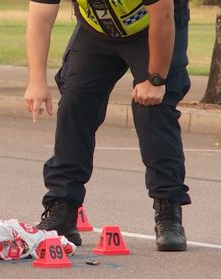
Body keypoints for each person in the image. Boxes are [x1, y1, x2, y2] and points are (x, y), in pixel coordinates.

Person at [24, 0, 191, 251]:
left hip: (153, 26)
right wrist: (36, 80)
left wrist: (156, 80)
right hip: (97, 30)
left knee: (153, 111)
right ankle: (63, 209)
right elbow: (40, 18)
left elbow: (163, 18)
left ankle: (168, 209)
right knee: (74, 106)